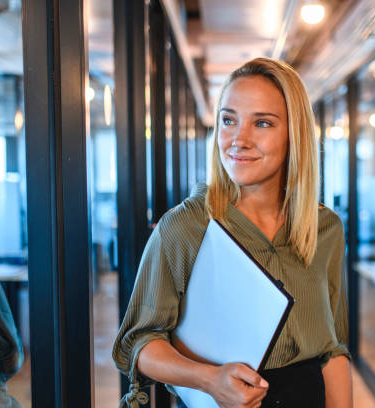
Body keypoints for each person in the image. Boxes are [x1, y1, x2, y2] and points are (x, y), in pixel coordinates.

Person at [112, 57, 352, 408]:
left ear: (294, 134)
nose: (239, 139)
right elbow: (139, 342)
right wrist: (209, 380)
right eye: (228, 120)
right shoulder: (185, 226)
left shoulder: (325, 228)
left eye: (263, 123)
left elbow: (332, 349)